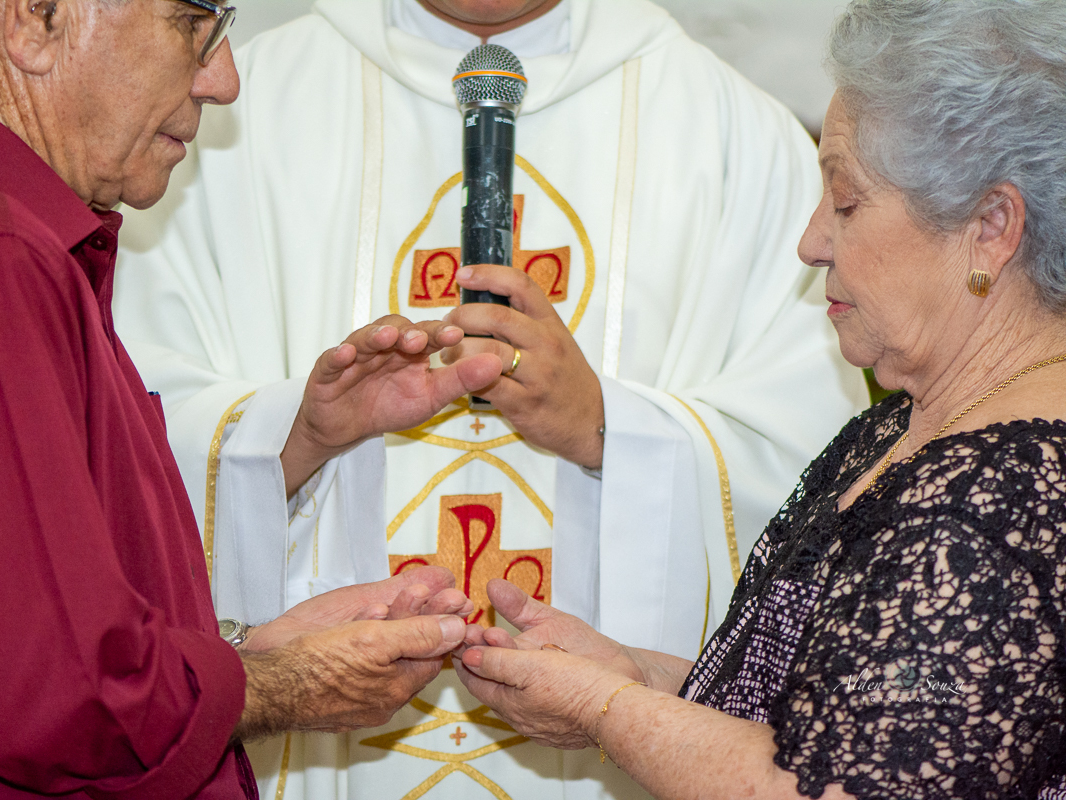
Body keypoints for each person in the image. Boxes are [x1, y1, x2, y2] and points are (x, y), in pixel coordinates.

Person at [112, 0, 869, 796]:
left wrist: (607, 430)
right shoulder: (229, 103)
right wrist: (296, 436)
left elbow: (824, 469)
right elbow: (117, 425)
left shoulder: (732, 135)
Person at [0, 0, 504, 797]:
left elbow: (7, 615)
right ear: (33, 18)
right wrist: (289, 685)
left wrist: (251, 652)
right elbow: (46, 694)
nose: (224, 79)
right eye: (191, 22)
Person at [450, 1, 1066, 797]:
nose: (811, 242)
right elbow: (819, 720)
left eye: (845, 202)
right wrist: (633, 678)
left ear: (990, 227)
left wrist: (606, 708)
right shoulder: (896, 428)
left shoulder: (1000, 507)